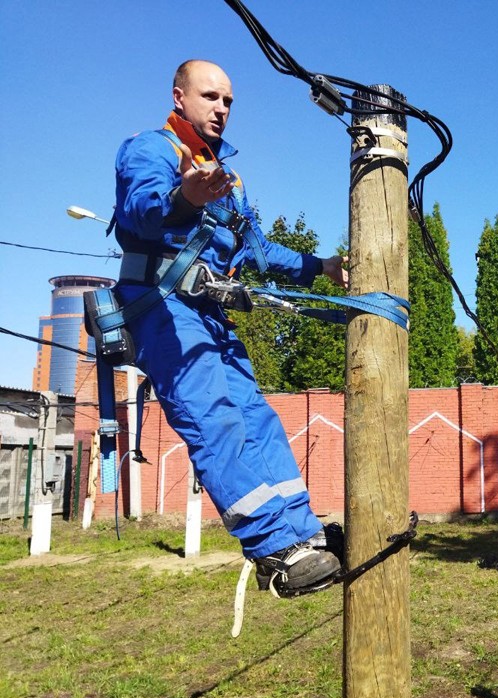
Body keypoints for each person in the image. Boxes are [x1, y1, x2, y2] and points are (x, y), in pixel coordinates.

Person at [111, 60, 348, 595]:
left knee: (257, 420)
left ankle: (304, 536)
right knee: (213, 417)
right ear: (179, 97)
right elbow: (140, 207)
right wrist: (183, 197)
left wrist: (322, 267)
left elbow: (258, 250)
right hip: (164, 307)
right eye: (210, 96)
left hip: (209, 314)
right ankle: (274, 552)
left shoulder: (225, 178)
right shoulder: (153, 149)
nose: (221, 109)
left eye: (229, 101)